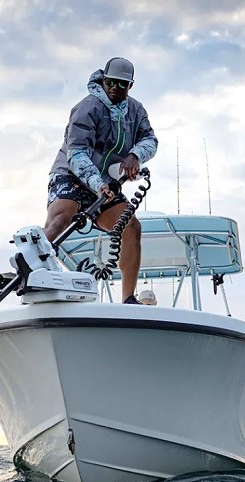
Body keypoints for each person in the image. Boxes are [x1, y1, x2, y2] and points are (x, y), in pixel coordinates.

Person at [45, 57, 158, 304]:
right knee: (62, 218)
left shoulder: (137, 110)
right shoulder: (86, 108)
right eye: (112, 82)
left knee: (131, 227)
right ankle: (32, 269)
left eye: (123, 84)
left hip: (107, 184)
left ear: (131, 86)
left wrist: (134, 156)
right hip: (72, 174)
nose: (116, 88)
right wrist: (97, 184)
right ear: (103, 79)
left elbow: (151, 140)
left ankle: (128, 298)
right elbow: (76, 153)